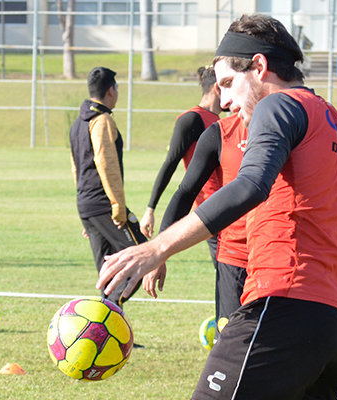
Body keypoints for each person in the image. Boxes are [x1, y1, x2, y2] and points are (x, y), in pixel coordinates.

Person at [97, 14, 337, 400]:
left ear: (260, 66)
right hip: (333, 328)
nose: (226, 101)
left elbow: (250, 186)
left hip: (281, 304)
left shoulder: (279, 106)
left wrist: (155, 248)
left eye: (229, 83)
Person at [144, 113, 249, 330]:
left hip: (281, 260)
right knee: (231, 340)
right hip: (233, 258)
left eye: (229, 84)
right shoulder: (219, 132)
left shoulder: (291, 127)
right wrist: (160, 251)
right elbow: (185, 192)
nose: (227, 101)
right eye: (222, 86)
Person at [69, 66, 145, 308]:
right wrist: (117, 207)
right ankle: (108, 311)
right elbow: (106, 164)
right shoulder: (102, 120)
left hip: (87, 204)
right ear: (111, 90)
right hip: (102, 203)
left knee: (108, 271)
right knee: (141, 257)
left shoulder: (78, 123)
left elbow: (75, 168)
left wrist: (87, 214)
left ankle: (105, 333)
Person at [140, 65, 222, 240]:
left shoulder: (220, 120)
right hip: (209, 208)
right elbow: (170, 163)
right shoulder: (192, 119)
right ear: (217, 88)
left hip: (225, 205)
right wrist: (150, 209)